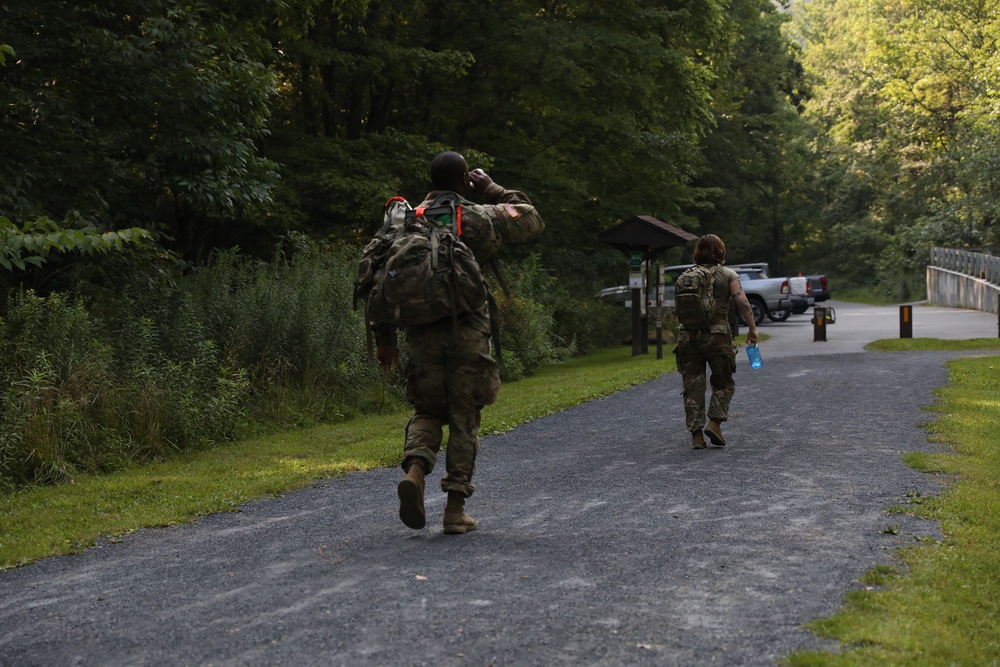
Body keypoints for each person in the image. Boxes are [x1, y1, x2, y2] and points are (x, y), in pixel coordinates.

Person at [373, 151, 544, 533]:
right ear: (465, 178)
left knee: (428, 409)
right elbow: (530, 218)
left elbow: (379, 277)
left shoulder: (406, 219)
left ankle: (415, 471)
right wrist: (492, 188)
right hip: (468, 331)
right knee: (464, 418)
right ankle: (454, 510)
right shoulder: (477, 216)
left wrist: (386, 340)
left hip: (421, 333)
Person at [674, 234, 758, 449]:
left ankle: (696, 436)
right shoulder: (728, 274)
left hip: (687, 337)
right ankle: (715, 422)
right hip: (717, 336)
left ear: (698, 252)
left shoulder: (686, 276)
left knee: (693, 384)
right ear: (720, 251)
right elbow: (742, 301)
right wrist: (752, 327)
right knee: (723, 381)